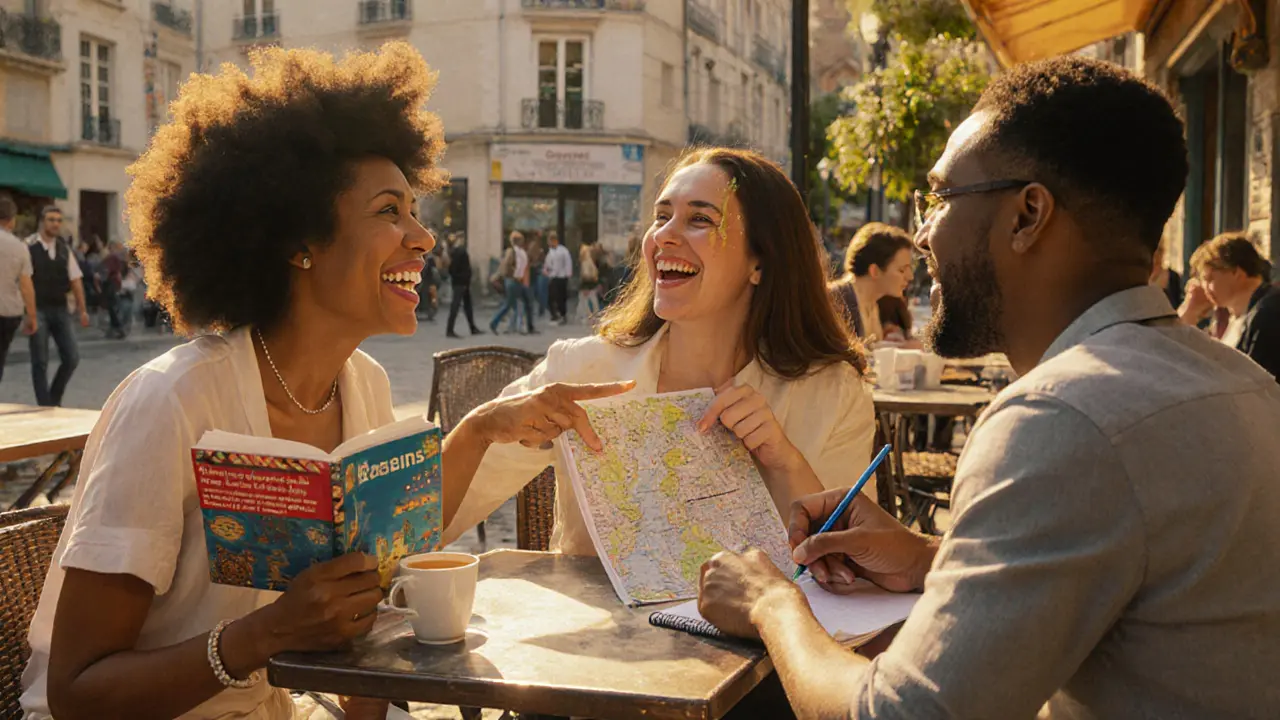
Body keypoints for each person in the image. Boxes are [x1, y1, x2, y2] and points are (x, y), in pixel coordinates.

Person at [697, 57, 1280, 718]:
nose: (921, 236)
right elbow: (1144, 570)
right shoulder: (1243, 383)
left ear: (1028, 214)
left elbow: (900, 715)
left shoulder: (1060, 416)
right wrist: (929, 558)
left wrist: (772, 603)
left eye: (941, 199)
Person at [21, 42, 447, 720]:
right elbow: (75, 693)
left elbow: (352, 654)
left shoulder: (361, 384)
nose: (422, 238)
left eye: (415, 212)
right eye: (389, 211)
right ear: (298, 244)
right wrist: (268, 634)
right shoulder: (173, 402)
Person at [438, 147, 877, 556]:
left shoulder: (834, 395)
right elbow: (422, 526)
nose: (664, 235)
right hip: (599, 640)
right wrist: (480, 427)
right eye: (661, 217)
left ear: (760, 262)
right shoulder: (581, 369)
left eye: (700, 220)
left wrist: (783, 464)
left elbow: (858, 575)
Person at [1176, 232, 1280, 380]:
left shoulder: (1267, 313)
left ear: (1236, 273)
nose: (1205, 287)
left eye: (1209, 278)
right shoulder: (1229, 318)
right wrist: (1189, 313)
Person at [25, 206, 90, 406]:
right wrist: (29, 312)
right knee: (40, 361)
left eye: (59, 220)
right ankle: (44, 404)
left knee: (71, 357)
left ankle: (54, 398)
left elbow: (76, 280)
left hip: (60, 309)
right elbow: (23, 279)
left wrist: (83, 309)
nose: (55, 224)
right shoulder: (28, 246)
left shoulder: (64, 249)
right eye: (51, 219)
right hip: (39, 309)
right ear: (42, 221)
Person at [827, 222, 915, 345]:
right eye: (901, 270)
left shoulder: (873, 302)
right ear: (874, 271)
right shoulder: (836, 302)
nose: (910, 276)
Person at [0, 194, 38, 384]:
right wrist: (31, 316)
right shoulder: (19, 247)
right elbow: (26, 285)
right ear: (11, 220)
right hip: (8, 311)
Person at [489, 231, 536, 335]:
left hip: (520, 281)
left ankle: (530, 327)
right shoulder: (512, 252)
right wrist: (514, 274)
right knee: (509, 304)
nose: (522, 241)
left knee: (527, 303)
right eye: (520, 240)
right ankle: (494, 323)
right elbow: (507, 265)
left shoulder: (521, 252)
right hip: (513, 281)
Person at [445, 233, 483, 338]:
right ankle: (450, 329)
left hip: (461, 282)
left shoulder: (456, 252)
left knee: (467, 305)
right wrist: (463, 280)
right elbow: (457, 269)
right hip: (461, 283)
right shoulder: (460, 252)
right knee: (456, 305)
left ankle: (472, 327)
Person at [543, 230, 572, 325]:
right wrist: (546, 270)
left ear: (554, 240)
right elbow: (547, 263)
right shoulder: (550, 251)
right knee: (551, 298)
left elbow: (567, 263)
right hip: (552, 277)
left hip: (561, 277)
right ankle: (554, 315)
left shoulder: (563, 251)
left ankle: (563, 315)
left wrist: (568, 274)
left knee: (561, 298)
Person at [1150, 238, 1183, 308]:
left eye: (1159, 250)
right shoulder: (1140, 278)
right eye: (1152, 251)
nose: (1156, 256)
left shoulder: (1173, 277)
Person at [576, 240, 602, 322]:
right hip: (590, 284)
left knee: (584, 300)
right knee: (587, 300)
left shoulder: (586, 262)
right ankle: (587, 315)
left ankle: (586, 316)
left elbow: (586, 276)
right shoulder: (588, 261)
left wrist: (585, 287)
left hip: (588, 284)